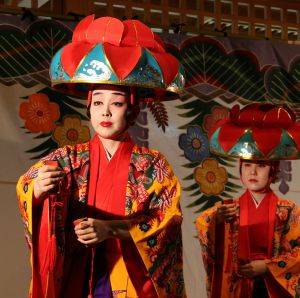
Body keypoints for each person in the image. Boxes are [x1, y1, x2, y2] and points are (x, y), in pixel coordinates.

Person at [16, 15, 186, 298]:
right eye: (97, 102)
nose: (105, 111)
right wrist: (37, 191)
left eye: (116, 103)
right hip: (76, 274)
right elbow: (27, 187)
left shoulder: (152, 165)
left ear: (131, 111)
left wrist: (112, 229)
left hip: (129, 273)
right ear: (89, 108)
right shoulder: (68, 157)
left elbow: (168, 221)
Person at [196, 103, 300, 298]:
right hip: (236, 285)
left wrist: (268, 266)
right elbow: (204, 226)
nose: (252, 172)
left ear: (273, 170)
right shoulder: (226, 209)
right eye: (247, 165)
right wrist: (216, 221)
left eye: (260, 165)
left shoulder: (288, 210)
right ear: (240, 170)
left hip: (271, 285)